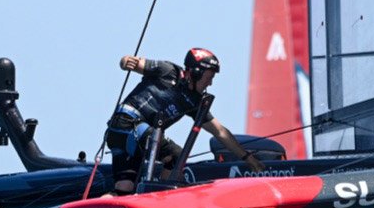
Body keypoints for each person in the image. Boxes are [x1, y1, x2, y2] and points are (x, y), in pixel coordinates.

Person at [104, 48, 264, 195]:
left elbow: (220, 131)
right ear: (196, 73)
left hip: (120, 134)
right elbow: (133, 62)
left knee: (124, 190)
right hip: (129, 124)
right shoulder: (168, 71)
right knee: (176, 156)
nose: (210, 83)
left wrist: (247, 157)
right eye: (209, 77)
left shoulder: (194, 101)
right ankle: (160, 198)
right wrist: (125, 62)